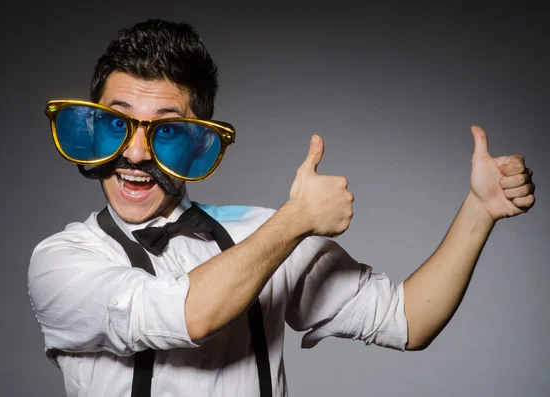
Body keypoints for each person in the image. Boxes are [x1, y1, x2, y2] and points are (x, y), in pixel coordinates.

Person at [28, 18, 536, 397]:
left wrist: (480, 209)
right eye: (118, 124)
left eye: (164, 131)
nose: (136, 154)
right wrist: (292, 223)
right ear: (93, 130)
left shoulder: (264, 232)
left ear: (200, 143)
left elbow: (407, 321)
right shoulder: (62, 261)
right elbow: (187, 315)